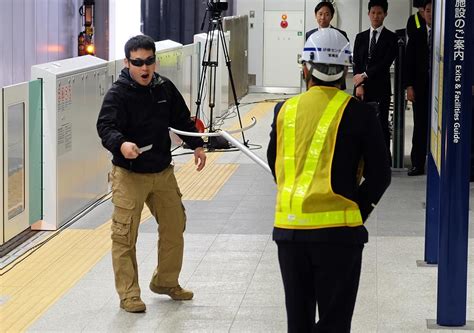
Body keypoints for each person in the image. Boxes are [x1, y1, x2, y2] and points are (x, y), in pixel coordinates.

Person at [267, 29, 391, 332]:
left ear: (306, 68)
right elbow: (381, 173)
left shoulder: (284, 110)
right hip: (338, 237)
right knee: (335, 322)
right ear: (345, 71)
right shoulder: (360, 114)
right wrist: (356, 210)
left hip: (290, 232)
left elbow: (275, 162)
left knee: (298, 321)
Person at [96, 35, 207, 313]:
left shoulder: (163, 88)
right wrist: (122, 144)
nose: (144, 69)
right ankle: (129, 294)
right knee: (124, 235)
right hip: (129, 174)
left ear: (155, 62)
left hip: (161, 172)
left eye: (149, 62)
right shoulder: (118, 94)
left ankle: (166, 281)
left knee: (174, 224)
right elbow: (105, 126)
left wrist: (198, 145)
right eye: (138, 63)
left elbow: (182, 120)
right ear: (127, 63)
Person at [353, 0, 398, 154]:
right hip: (361, 89)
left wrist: (364, 76)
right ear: (368, 14)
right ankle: (362, 159)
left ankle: (384, 159)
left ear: (385, 14)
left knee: (381, 126)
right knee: (359, 125)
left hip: (381, 89)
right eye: (373, 13)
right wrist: (359, 85)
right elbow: (356, 63)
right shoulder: (360, 37)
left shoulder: (392, 38)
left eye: (379, 13)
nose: (376, 16)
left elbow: (385, 63)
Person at [405, 0, 432, 176]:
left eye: (433, 11)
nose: (430, 14)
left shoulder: (446, 34)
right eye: (427, 11)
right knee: (420, 126)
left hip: (440, 89)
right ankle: (417, 164)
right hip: (420, 88)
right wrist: (409, 86)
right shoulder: (417, 34)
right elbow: (408, 63)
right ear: (423, 12)